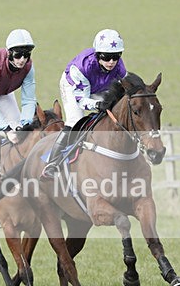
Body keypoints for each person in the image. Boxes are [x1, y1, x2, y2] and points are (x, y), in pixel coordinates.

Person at [41, 29, 127, 179]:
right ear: (98, 54)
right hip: (74, 87)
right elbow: (82, 101)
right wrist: (98, 105)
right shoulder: (82, 67)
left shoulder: (119, 67)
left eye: (116, 56)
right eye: (107, 57)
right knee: (74, 121)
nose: (111, 62)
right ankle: (52, 163)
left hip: (99, 86)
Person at [0, 29, 38, 134]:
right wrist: (4, 128)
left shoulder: (29, 67)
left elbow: (29, 100)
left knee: (17, 128)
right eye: (18, 55)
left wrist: (26, 123)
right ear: (9, 53)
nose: (22, 60)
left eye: (26, 55)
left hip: (5, 93)